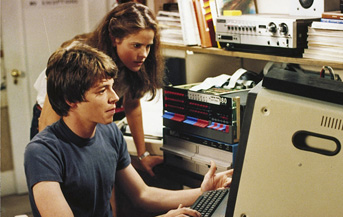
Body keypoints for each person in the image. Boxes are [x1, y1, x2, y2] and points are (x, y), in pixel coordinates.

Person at [24, 43, 233, 217]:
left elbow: (143, 195)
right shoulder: (42, 152)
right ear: (71, 100)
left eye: (112, 87)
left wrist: (205, 192)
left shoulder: (109, 133)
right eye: (101, 90)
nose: (114, 97)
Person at [31, 2, 165, 177]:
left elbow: (133, 107)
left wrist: (142, 155)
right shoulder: (77, 57)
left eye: (148, 46)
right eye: (137, 45)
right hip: (55, 119)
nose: (144, 54)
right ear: (115, 39)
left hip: (88, 122)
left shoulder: (134, 63)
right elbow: (48, 121)